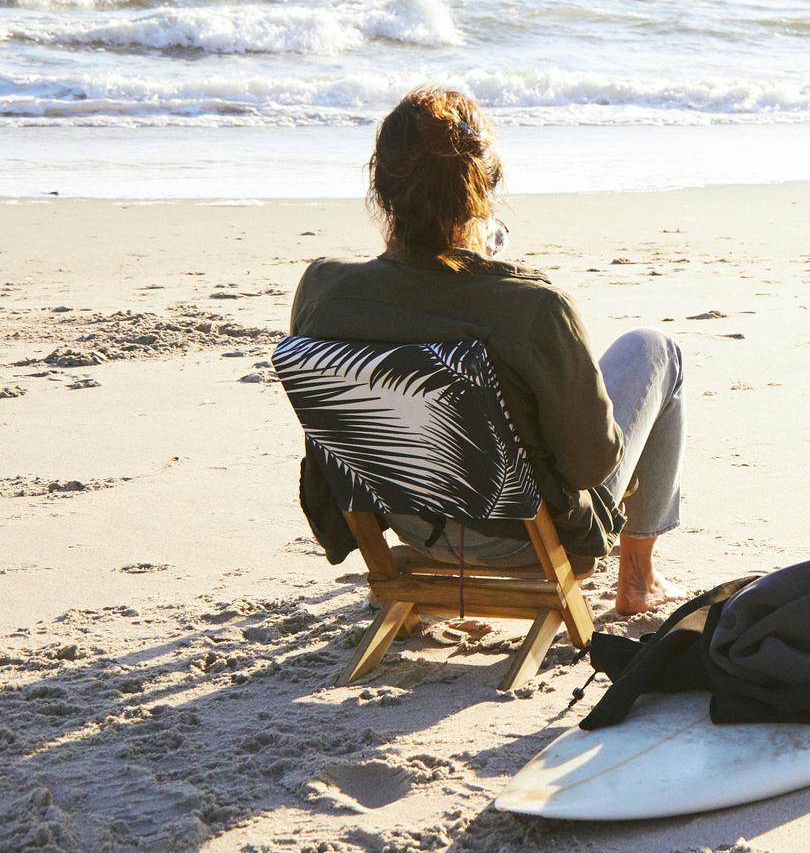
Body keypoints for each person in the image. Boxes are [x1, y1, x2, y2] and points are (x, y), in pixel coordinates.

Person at [289, 85, 683, 616]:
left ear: (380, 188)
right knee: (655, 350)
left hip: (406, 523)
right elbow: (590, 465)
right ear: (484, 191)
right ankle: (638, 579)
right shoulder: (534, 307)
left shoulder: (322, 290)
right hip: (522, 538)